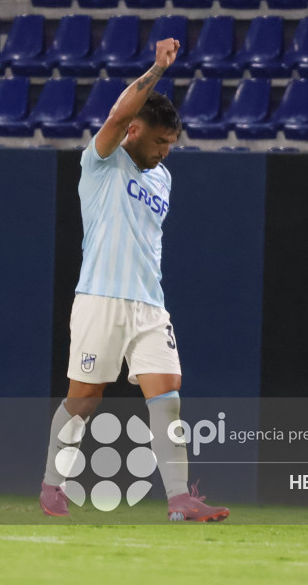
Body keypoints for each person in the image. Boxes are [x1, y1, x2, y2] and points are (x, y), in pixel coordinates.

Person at [39, 38, 229, 522]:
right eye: (159, 141)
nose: (165, 153)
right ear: (135, 131)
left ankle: (180, 501)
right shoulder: (102, 162)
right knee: (83, 400)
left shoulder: (162, 179)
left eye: (171, 145)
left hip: (149, 304)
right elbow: (116, 118)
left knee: (168, 400)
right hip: (100, 299)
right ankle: (52, 485)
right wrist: (157, 70)